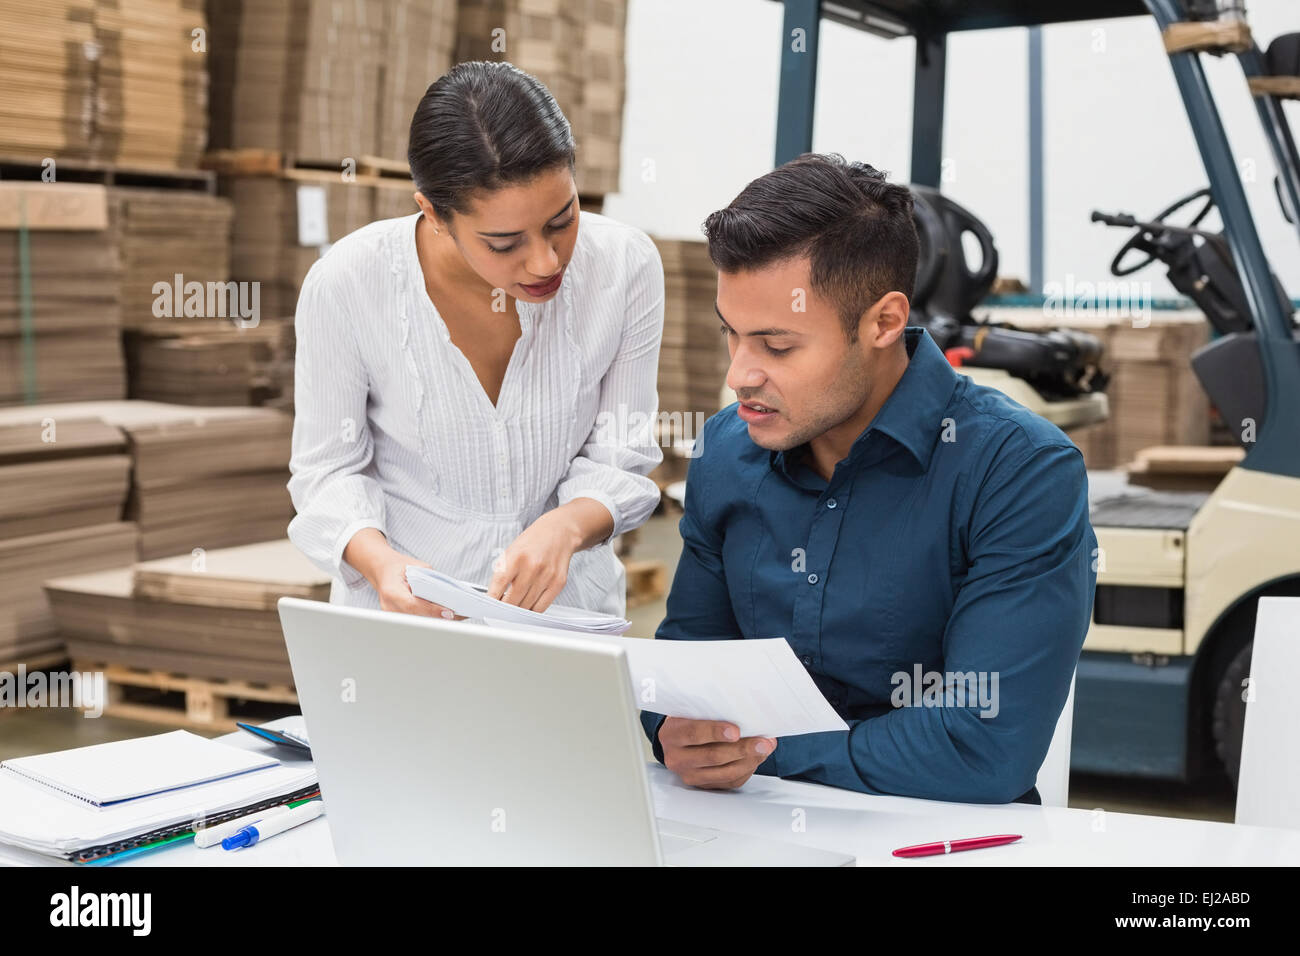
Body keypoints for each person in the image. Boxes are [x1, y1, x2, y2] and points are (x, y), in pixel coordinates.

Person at [640, 154, 1097, 804]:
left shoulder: (1018, 471)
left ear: (883, 322)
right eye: (731, 336)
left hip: (943, 840)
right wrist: (672, 731)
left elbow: (982, 746)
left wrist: (762, 751)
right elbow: (685, 673)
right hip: (745, 830)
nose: (740, 373)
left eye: (777, 346)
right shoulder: (725, 451)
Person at [287, 61, 664, 618]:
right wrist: (381, 565)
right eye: (504, 242)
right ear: (434, 213)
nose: (545, 260)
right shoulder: (349, 282)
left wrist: (565, 527)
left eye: (562, 220)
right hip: (403, 623)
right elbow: (327, 471)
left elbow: (621, 455)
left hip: (565, 618)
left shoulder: (624, 267)